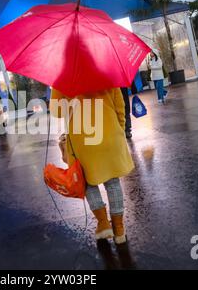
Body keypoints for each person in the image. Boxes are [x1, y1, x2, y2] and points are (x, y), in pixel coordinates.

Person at [50, 88, 135, 245]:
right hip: (110, 135)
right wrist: (119, 129)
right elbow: (120, 105)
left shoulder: (63, 78)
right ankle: (119, 229)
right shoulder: (106, 70)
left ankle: (103, 224)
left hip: (83, 141)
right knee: (113, 182)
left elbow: (57, 111)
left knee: (88, 183)